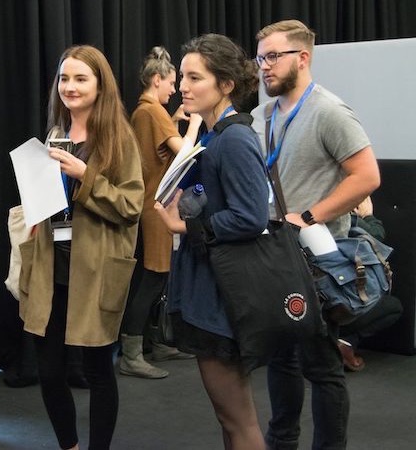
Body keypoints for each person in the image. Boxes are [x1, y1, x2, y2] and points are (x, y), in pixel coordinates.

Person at [250, 20, 381, 449]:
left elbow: (367, 176)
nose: (264, 67)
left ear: (302, 58)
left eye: (273, 56)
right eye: (260, 58)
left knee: (322, 366)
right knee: (282, 360)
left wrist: (308, 215)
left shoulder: (328, 111)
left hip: (318, 262)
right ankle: (281, 442)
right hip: (276, 257)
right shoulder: (265, 114)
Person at [19, 45, 144, 450]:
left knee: (98, 369)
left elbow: (130, 206)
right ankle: (69, 445)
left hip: (96, 268)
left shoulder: (119, 137)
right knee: (50, 370)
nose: (69, 87)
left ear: (100, 84)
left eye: (79, 78)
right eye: (63, 78)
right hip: (50, 265)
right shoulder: (55, 132)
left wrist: (84, 175)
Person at [154, 34, 268, 449]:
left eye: (194, 77)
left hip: (224, 292)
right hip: (209, 284)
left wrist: (185, 227)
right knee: (230, 416)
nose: (183, 85)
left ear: (226, 84)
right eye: (182, 76)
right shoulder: (215, 136)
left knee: (237, 418)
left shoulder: (234, 139)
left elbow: (251, 217)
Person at [121, 46, 202, 379]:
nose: (176, 89)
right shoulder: (150, 112)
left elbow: (153, 154)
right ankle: (132, 353)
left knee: (156, 278)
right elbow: (183, 153)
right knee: (152, 279)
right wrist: (194, 121)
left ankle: (154, 344)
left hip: (152, 204)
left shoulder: (148, 112)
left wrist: (172, 120)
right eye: (171, 82)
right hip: (155, 206)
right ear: (157, 80)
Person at [338, 197, 402, 371]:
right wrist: (368, 216)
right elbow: (377, 234)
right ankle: (346, 342)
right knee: (393, 306)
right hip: (343, 300)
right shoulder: (345, 217)